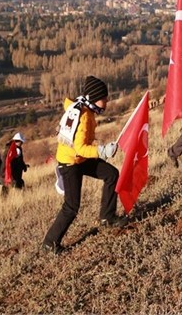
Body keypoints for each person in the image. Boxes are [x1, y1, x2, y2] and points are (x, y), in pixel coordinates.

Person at [42, 75, 126, 254]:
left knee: (111, 174)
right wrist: (101, 151)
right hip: (71, 163)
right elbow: (80, 148)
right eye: (104, 97)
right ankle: (50, 244)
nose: (107, 100)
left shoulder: (79, 107)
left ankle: (107, 217)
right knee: (71, 207)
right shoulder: (85, 116)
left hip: (79, 159)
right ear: (95, 98)